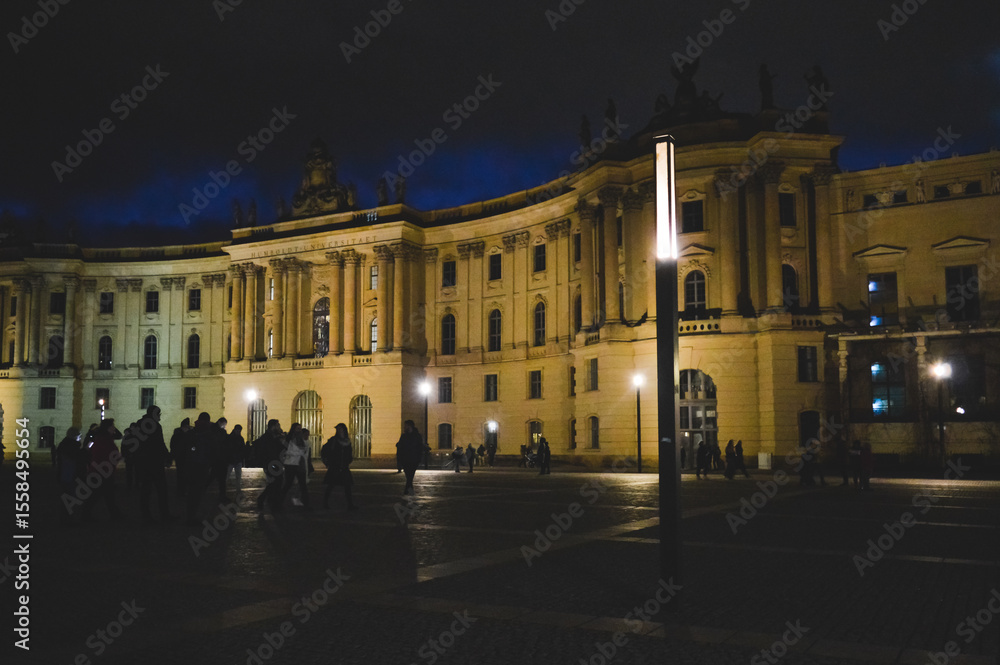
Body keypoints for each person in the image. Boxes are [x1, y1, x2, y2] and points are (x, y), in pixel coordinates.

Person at [132, 405, 173, 524]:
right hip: (155, 462)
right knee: (161, 490)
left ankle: (146, 515)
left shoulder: (139, 424)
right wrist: (168, 456)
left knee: (146, 490)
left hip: (143, 462)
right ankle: (164, 514)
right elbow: (160, 444)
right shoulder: (155, 426)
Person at [82, 419, 123, 521]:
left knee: (105, 495)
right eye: (112, 426)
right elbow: (104, 454)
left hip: (102, 470)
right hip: (102, 471)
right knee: (100, 495)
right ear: (108, 428)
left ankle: (114, 514)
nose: (114, 428)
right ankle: (85, 515)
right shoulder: (103, 439)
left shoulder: (102, 438)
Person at [183, 412, 217, 525]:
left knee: (192, 492)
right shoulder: (208, 433)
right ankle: (193, 517)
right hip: (202, 466)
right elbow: (212, 450)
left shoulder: (192, 432)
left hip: (191, 466)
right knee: (197, 493)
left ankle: (190, 516)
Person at [321, 423, 357, 510]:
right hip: (335, 467)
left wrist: (349, 460)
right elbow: (324, 450)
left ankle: (350, 505)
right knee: (331, 485)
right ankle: (325, 503)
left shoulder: (347, 441)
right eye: (338, 430)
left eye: (341, 429)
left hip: (344, 467)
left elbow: (349, 453)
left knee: (347, 486)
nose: (339, 431)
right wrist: (327, 462)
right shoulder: (333, 440)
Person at [254, 419, 286, 514]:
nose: (279, 428)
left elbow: (280, 449)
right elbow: (269, 451)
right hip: (271, 463)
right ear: (273, 426)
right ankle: (269, 501)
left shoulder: (273, 437)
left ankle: (269, 500)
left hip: (275, 463)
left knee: (276, 482)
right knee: (276, 482)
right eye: (278, 426)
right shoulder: (268, 437)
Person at [56, 427, 83, 524]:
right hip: (70, 474)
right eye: (79, 435)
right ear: (75, 435)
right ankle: (69, 520)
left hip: (64, 474)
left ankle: (65, 518)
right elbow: (78, 458)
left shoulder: (64, 444)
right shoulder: (73, 446)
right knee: (72, 498)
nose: (80, 437)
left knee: (66, 498)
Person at [281, 423, 311, 509]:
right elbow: (287, 451)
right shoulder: (290, 439)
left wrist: (301, 452)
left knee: (303, 485)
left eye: (300, 428)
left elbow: (304, 450)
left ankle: (306, 504)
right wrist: (299, 453)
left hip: (299, 464)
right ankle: (279, 502)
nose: (299, 430)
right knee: (288, 484)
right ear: (293, 429)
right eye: (297, 428)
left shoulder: (300, 439)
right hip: (291, 464)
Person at [396, 420, 426, 496]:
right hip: (405, 458)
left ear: (410, 426)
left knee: (411, 474)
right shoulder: (404, 436)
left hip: (414, 458)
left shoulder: (417, 436)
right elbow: (400, 446)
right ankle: (410, 487)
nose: (404, 427)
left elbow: (420, 446)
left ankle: (407, 488)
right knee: (408, 474)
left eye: (406, 426)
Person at [209, 418, 231, 500]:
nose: (224, 426)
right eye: (224, 424)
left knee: (217, 478)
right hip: (219, 459)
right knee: (217, 478)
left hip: (219, 459)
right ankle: (222, 496)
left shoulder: (213, 430)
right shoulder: (219, 432)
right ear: (220, 422)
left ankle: (223, 495)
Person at [170, 418, 192, 494]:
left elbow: (172, 446)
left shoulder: (177, 434)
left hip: (182, 457)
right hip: (182, 457)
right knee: (182, 474)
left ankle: (182, 490)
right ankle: (182, 491)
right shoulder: (182, 435)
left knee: (182, 474)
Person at [226, 424, 246, 499]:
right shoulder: (240, 438)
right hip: (235, 460)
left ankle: (226, 490)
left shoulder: (230, 438)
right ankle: (238, 490)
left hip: (233, 460)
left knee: (229, 476)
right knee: (237, 476)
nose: (239, 432)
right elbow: (243, 449)